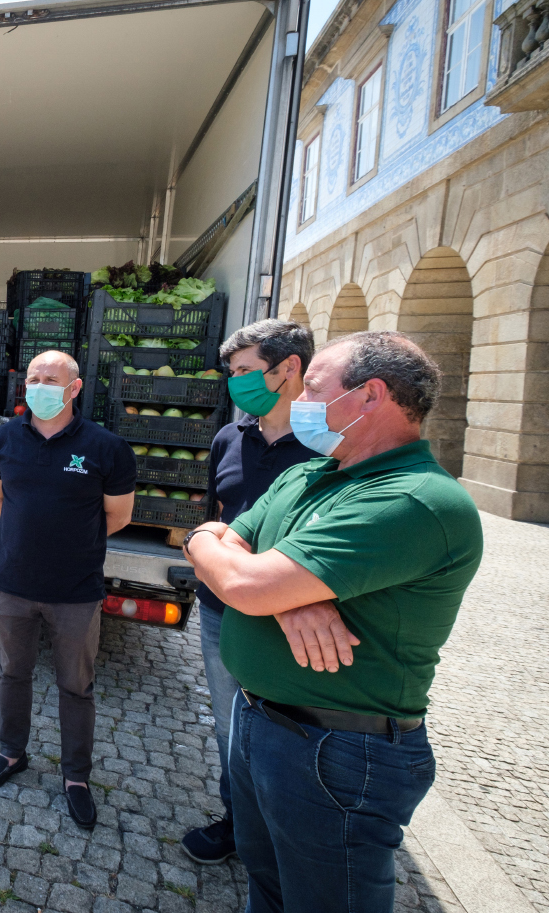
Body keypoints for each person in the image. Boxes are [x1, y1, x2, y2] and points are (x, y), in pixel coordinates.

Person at [182, 331, 484, 913]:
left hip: (338, 751)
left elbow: (240, 579)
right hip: (261, 721)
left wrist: (261, 581)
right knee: (267, 888)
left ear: (369, 395)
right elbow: (216, 537)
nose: (302, 403)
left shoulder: (413, 500)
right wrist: (281, 589)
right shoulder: (311, 474)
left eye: (315, 389)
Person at [0, 350, 136, 829]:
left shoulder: (105, 447)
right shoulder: (2, 438)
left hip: (76, 591)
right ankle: (11, 753)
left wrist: (69, 543)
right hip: (12, 585)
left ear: (75, 388)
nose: (40, 385)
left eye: (51, 378)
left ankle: (76, 776)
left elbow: (119, 515)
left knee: (76, 686)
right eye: (33, 377)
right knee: (13, 674)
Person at [181, 320, 318, 866]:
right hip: (223, 613)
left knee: (296, 728)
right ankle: (238, 822)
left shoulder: (326, 445)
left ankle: (293, 836)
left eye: (246, 371)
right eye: (231, 373)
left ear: (290, 369)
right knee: (231, 723)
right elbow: (218, 518)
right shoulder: (228, 438)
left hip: (297, 617)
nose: (236, 383)